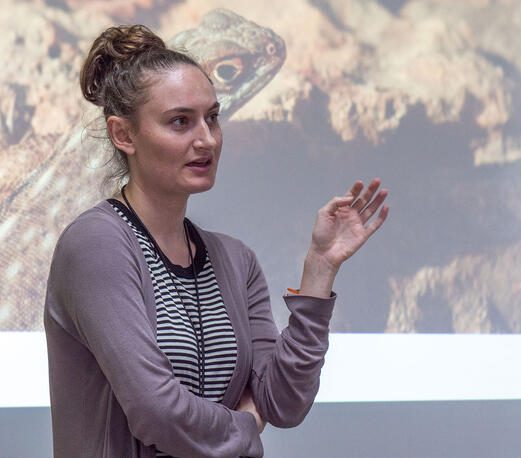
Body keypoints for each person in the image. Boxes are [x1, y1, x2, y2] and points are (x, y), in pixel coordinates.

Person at [44, 24, 389, 458]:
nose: (206, 139)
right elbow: (157, 413)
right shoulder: (96, 244)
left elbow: (283, 403)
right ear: (124, 135)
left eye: (212, 117)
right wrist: (245, 428)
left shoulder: (234, 259)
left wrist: (320, 267)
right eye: (180, 122)